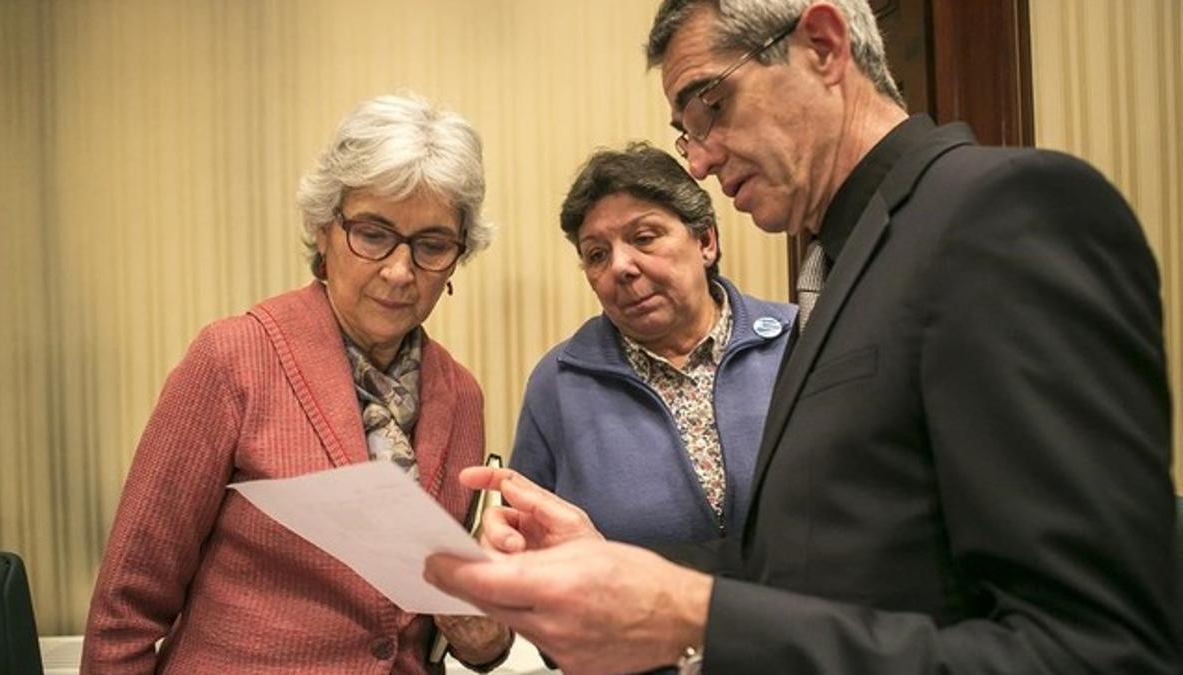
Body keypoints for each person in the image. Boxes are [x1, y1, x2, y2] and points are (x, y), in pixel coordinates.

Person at [425, 2, 1181, 674]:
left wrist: (697, 620)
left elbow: (1100, 648)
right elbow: (810, 566)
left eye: (711, 105)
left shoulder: (1006, 213)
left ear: (822, 45)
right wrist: (600, 559)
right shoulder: (844, 263)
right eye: (685, 130)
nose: (699, 156)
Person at [83, 94, 512, 673]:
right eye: (372, 233)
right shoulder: (233, 359)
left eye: (432, 246)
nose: (399, 270)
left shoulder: (460, 394)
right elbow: (126, 612)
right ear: (322, 231)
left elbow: (455, 627)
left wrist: (488, 639)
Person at [510, 142, 795, 546]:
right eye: (596, 255)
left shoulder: (796, 340)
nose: (620, 267)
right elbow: (530, 545)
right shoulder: (558, 382)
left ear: (706, 241)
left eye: (644, 237)